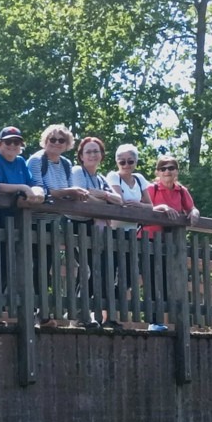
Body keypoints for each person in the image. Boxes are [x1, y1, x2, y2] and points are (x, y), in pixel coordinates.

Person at [0, 126, 42, 326]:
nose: (13, 146)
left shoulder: (21, 162)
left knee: (14, 266)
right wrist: (23, 188)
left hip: (14, 221)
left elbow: (33, 184)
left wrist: (38, 191)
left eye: (17, 142)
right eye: (8, 142)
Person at [26, 124, 89, 327]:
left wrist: (73, 193)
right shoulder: (37, 160)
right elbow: (38, 188)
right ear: (45, 141)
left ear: (67, 144)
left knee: (49, 267)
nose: (56, 143)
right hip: (33, 220)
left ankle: (45, 312)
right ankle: (38, 312)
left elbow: (68, 189)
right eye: (52, 139)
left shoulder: (66, 164)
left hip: (54, 221)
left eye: (61, 140)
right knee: (35, 267)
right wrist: (66, 192)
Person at [142, 155, 199, 331]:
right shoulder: (152, 189)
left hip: (170, 242)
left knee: (168, 280)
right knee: (151, 280)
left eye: (171, 168)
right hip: (149, 239)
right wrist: (162, 208)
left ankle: (167, 321)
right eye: (163, 168)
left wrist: (194, 213)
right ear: (157, 172)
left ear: (177, 171)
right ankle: (153, 321)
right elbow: (143, 207)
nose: (167, 171)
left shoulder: (181, 191)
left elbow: (191, 208)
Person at [72, 136, 123, 328]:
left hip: (96, 229)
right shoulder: (77, 170)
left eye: (96, 151)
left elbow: (119, 200)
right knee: (86, 270)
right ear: (81, 156)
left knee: (100, 270)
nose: (93, 155)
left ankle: (93, 315)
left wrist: (100, 195)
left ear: (101, 155)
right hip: (77, 227)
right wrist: (105, 199)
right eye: (88, 151)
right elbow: (80, 194)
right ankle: (80, 315)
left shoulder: (100, 178)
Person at [105, 143, 153, 325]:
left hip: (133, 233)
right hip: (114, 232)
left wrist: (139, 205)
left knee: (130, 276)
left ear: (135, 162)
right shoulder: (113, 176)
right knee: (111, 273)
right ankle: (108, 314)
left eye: (130, 161)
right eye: (122, 161)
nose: (126, 165)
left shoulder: (140, 179)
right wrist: (137, 204)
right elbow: (119, 201)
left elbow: (150, 206)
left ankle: (114, 309)